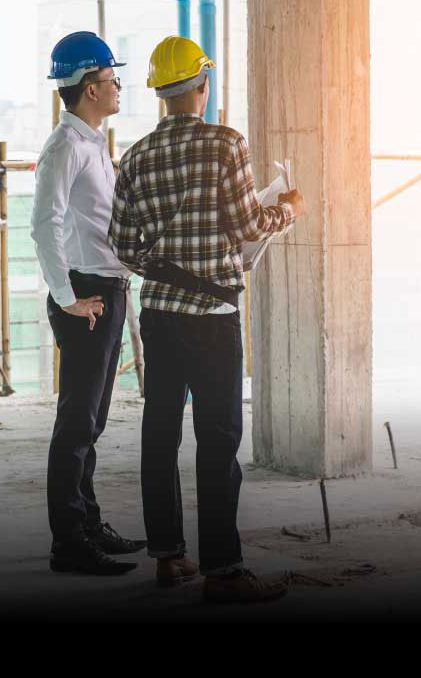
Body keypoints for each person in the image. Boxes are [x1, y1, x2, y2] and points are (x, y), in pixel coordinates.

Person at [108, 36, 305, 601]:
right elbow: (247, 225)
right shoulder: (226, 144)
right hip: (214, 317)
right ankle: (224, 571)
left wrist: (164, 266)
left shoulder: (136, 156)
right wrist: (289, 210)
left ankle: (168, 558)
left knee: (159, 433)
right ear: (203, 86)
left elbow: (122, 245)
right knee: (217, 440)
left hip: (160, 317)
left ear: (160, 95)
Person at [31, 31, 146, 575]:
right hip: (86, 293)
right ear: (90, 88)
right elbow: (43, 225)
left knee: (92, 419)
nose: (119, 86)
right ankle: (69, 543)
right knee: (77, 421)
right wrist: (67, 297)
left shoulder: (93, 143)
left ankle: (88, 522)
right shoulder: (65, 148)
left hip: (108, 287)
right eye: (111, 79)